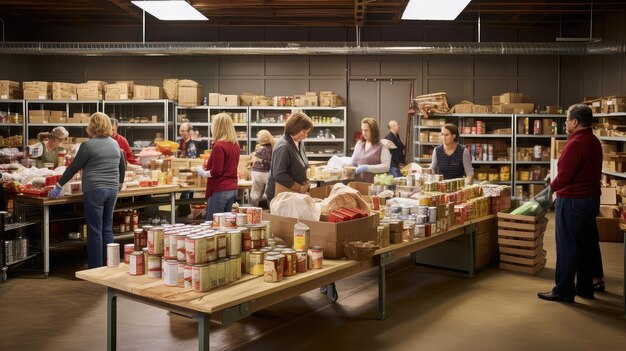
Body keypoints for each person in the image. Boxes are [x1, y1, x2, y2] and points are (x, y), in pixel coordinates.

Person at [538, 104, 602, 303]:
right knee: (584, 246)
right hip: (591, 200)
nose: (565, 123)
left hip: (573, 201)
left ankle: (564, 291)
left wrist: (549, 190)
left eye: (566, 119)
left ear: (575, 122)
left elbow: (565, 176)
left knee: (567, 246)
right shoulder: (593, 141)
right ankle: (584, 288)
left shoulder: (576, 143)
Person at [48, 112, 126, 268]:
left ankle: (96, 268)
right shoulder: (115, 144)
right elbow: (122, 166)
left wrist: (58, 186)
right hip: (112, 190)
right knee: (107, 228)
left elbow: (73, 168)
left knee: (95, 229)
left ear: (93, 127)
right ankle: (110, 264)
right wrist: (119, 184)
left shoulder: (88, 145)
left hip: (95, 190)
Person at [197, 113, 240, 221]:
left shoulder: (219, 146)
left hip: (220, 189)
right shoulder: (235, 145)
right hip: (232, 188)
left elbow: (216, 171)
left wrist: (202, 172)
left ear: (217, 127)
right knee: (227, 224)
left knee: (213, 223)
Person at [265, 112, 313, 203]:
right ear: (295, 128)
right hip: (280, 196)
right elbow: (279, 174)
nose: (306, 136)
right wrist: (300, 188)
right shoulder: (283, 147)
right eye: (304, 131)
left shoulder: (299, 142)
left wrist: (306, 181)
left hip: (293, 195)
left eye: (307, 132)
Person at [351, 117, 391, 183]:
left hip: (373, 186)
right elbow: (352, 161)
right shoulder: (359, 144)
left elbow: (386, 167)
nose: (363, 133)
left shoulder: (382, 146)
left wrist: (367, 168)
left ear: (373, 131)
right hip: (357, 184)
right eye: (362, 130)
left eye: (366, 130)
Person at [250, 129, 275, 207]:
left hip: (258, 175)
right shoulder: (274, 148)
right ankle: (272, 210)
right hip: (269, 174)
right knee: (270, 195)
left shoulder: (259, 149)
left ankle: (254, 209)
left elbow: (253, 162)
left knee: (256, 194)